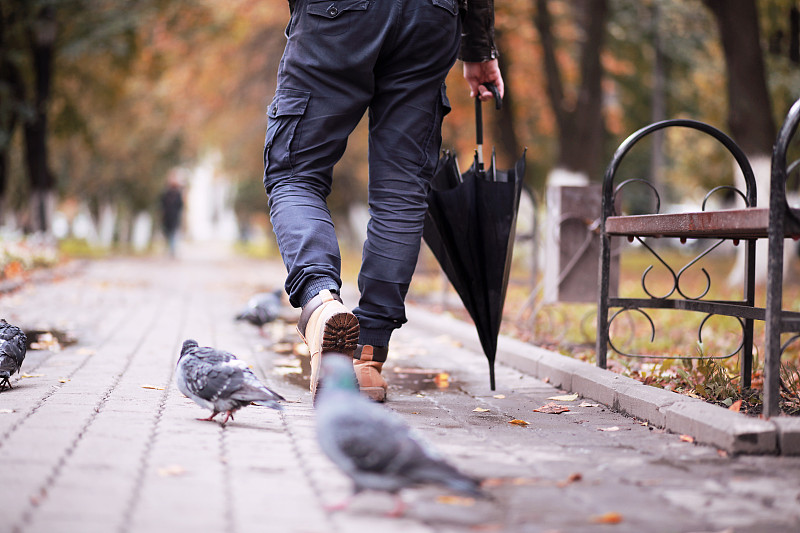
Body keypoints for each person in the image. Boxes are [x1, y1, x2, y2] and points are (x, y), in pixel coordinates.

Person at [263, 0, 504, 403]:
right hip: (431, 17)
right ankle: (367, 358)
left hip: (337, 15)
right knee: (401, 193)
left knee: (294, 172)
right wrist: (479, 49)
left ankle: (320, 301)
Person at [160, 172, 184, 258]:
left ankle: (172, 251)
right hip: (167, 217)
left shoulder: (178, 194)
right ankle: (170, 249)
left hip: (174, 217)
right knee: (167, 233)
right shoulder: (166, 193)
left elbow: (180, 206)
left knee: (173, 234)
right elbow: (162, 204)